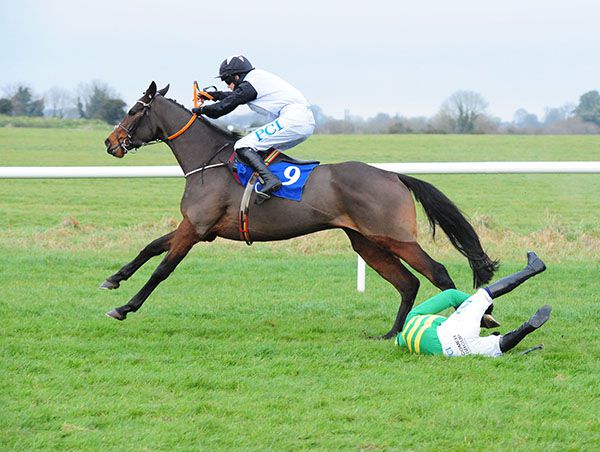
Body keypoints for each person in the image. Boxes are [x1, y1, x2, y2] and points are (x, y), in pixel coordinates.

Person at [192, 55, 316, 200]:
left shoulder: (252, 83)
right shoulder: (254, 80)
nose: (227, 85)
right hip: (301, 121)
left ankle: (271, 181)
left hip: (294, 120)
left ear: (236, 76)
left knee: (242, 145)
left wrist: (201, 111)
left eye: (227, 80)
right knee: (260, 151)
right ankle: (270, 185)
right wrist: (212, 96)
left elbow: (225, 106)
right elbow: (234, 95)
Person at [396, 252, 551, 357]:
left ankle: (527, 328)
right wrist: (479, 306)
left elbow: (398, 342)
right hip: (447, 334)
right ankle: (533, 268)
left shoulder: (403, 339)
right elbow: (451, 295)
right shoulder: (414, 316)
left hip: (452, 351)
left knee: (499, 345)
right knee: (485, 295)